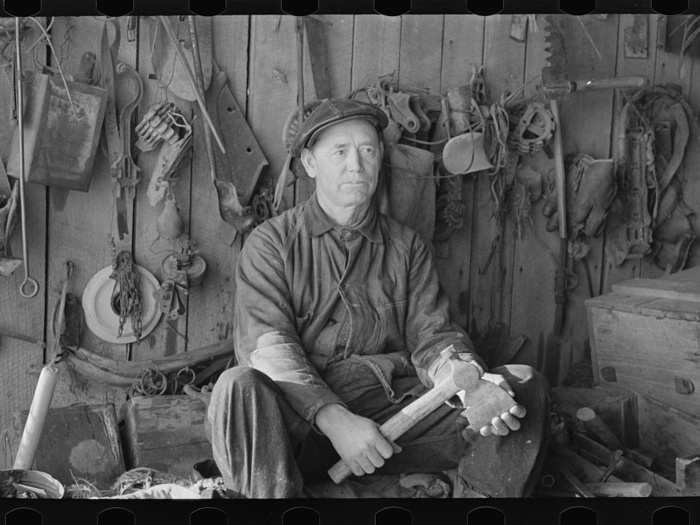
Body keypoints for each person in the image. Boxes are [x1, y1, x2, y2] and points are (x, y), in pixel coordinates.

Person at [207, 98, 549, 498]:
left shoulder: (406, 246)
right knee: (237, 386)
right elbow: (270, 349)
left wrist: (465, 377)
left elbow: (433, 336)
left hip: (392, 422)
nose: (357, 164)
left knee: (522, 388)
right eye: (340, 151)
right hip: (300, 428)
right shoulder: (272, 244)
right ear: (310, 164)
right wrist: (335, 422)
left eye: (368, 150)